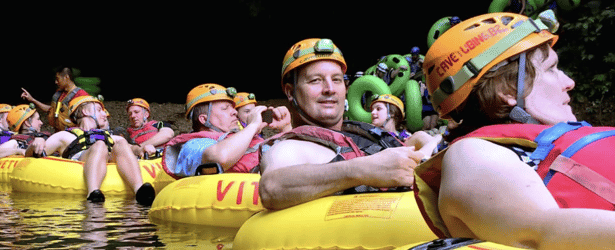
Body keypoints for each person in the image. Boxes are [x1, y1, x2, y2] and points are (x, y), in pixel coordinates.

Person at [412, 11, 615, 250]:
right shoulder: (470, 155)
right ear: (507, 90)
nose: (569, 82)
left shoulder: (551, 143)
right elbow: (536, 234)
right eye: (551, 69)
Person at [258, 38, 425, 210]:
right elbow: (271, 188)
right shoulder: (291, 147)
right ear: (290, 91)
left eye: (337, 80)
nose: (329, 88)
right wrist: (364, 169)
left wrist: (424, 140)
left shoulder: (361, 132)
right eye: (315, 80)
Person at [26, 95, 156, 205]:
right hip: (83, 158)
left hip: (109, 157)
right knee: (100, 145)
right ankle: (93, 193)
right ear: (85, 112)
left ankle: (140, 190)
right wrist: (37, 142)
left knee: (121, 143)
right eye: (99, 110)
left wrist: (141, 149)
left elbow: (131, 147)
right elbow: (34, 154)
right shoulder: (64, 136)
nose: (104, 114)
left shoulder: (110, 136)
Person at [160, 83, 291, 179]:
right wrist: (253, 126)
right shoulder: (194, 144)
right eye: (225, 108)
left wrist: (285, 127)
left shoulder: (242, 139)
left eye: (233, 108)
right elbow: (219, 158)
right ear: (203, 119)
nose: (234, 112)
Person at [368, 94, 441, 158]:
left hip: (410, 159)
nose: (372, 113)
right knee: (422, 135)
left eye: (378, 109)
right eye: (372, 110)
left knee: (436, 136)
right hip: (390, 161)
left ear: (392, 112)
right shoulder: (370, 131)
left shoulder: (403, 134)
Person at [20, 66, 90, 132]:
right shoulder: (59, 94)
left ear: (66, 77)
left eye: (57, 79)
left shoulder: (81, 95)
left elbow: (87, 121)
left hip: (72, 137)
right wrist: (32, 99)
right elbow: (50, 110)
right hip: (57, 134)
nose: (56, 82)